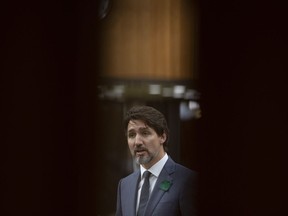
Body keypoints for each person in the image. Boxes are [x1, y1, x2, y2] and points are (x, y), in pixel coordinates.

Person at [115, 105, 198, 216]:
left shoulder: (188, 180)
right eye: (131, 135)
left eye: (145, 133)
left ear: (163, 137)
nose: (137, 142)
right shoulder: (125, 185)